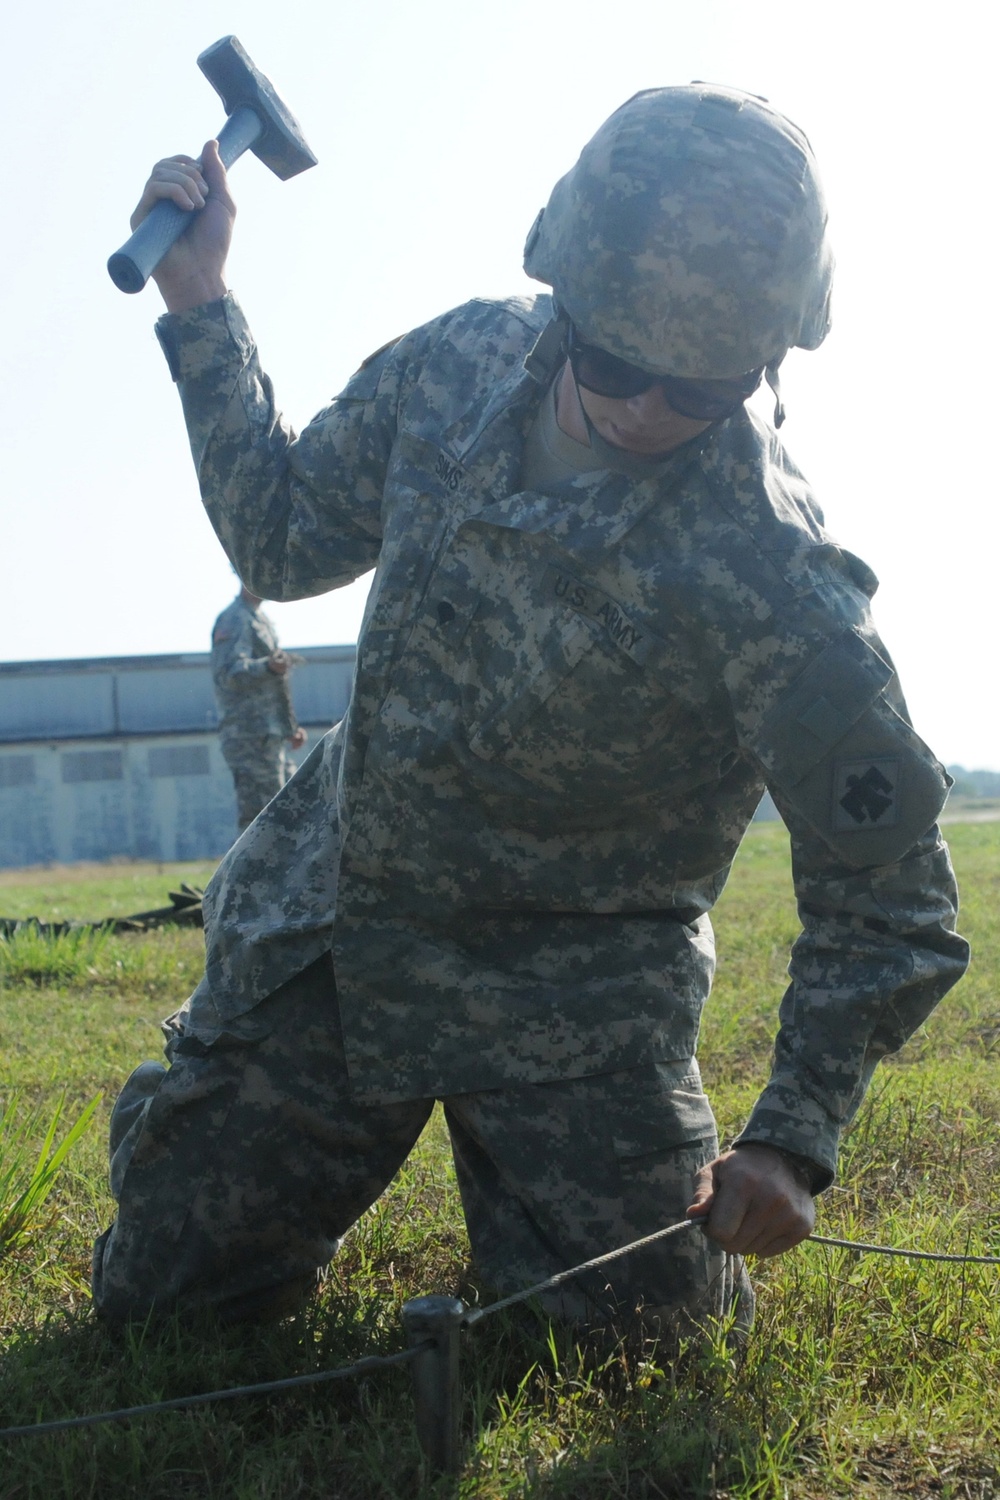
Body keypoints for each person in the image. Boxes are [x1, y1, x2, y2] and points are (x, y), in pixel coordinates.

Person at [93, 85, 969, 1334]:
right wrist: (200, 304)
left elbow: (894, 903)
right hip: (335, 943)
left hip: (575, 1012)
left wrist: (791, 1142)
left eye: (699, 390)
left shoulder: (776, 582)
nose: (641, 409)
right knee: (159, 1318)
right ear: (561, 291)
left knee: (643, 1351)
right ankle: (201, 1131)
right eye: (611, 360)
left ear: (765, 367)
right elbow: (282, 536)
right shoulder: (457, 367)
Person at [210, 582, 308, 833]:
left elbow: (275, 684)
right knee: (261, 819)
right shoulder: (234, 619)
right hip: (248, 736)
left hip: (270, 734)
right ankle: (248, 873)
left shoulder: (261, 620)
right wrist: (266, 666)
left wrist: (290, 726)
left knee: (294, 805)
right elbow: (228, 674)